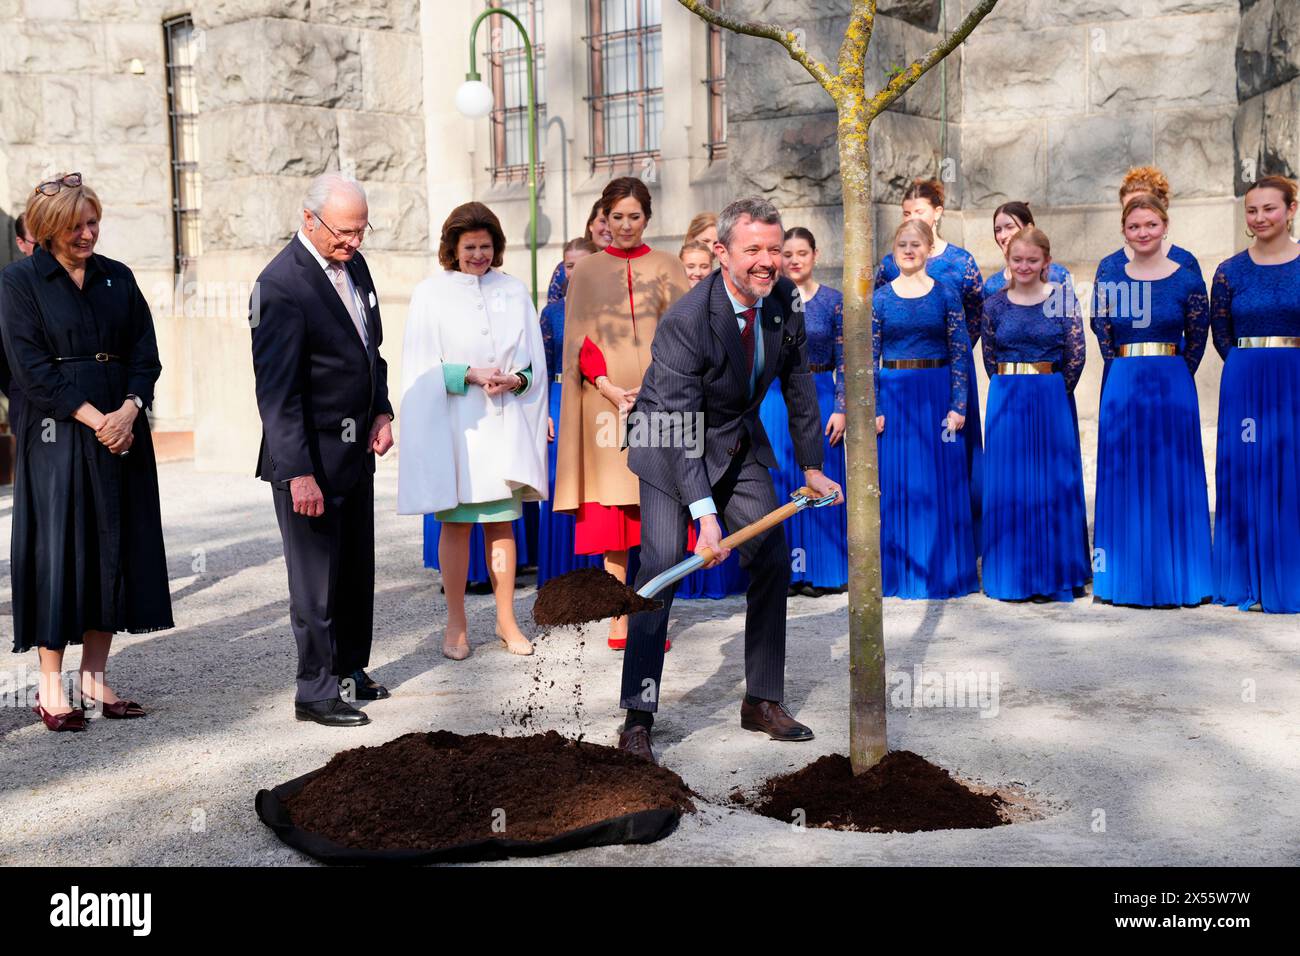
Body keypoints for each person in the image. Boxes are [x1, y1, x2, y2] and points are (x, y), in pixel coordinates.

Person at [616, 197, 843, 765]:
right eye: (754, 251)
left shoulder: (784, 298)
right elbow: (680, 424)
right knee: (662, 568)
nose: (769, 261)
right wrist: (705, 515)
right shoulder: (688, 321)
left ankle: (762, 699)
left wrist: (812, 465)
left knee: (769, 554)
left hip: (735, 442)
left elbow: (797, 381)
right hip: (671, 444)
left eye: (775, 248)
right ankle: (638, 718)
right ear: (721, 252)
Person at [0, 173, 173, 731]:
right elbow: (29, 371)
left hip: (121, 431)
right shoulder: (18, 283)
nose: (88, 233)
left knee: (115, 547)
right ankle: (50, 688)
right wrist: (98, 419)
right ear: (49, 229)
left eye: (93, 222)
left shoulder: (117, 278)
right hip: (57, 434)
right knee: (60, 552)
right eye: (76, 225)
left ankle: (95, 678)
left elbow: (145, 355)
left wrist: (129, 410)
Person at [250, 172, 395, 728]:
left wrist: (381, 409)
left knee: (356, 570)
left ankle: (350, 669)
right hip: (308, 460)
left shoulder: (354, 265)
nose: (354, 242)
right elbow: (277, 394)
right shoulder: (279, 286)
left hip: (356, 452)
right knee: (314, 584)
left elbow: (369, 350)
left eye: (362, 231)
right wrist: (299, 475)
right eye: (345, 231)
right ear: (309, 220)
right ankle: (314, 690)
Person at [399, 202, 548, 658]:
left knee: (501, 523)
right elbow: (420, 365)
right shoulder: (430, 294)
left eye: (485, 246)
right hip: (457, 430)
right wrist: (466, 373)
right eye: (470, 247)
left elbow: (532, 361)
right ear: (453, 248)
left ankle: (506, 620)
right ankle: (457, 623)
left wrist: (515, 379)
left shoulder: (514, 290)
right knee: (458, 527)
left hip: (503, 426)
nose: (479, 255)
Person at [553, 176, 690, 650]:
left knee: (659, 510)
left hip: (662, 401)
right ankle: (618, 614)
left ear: (647, 218)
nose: (626, 225)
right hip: (604, 404)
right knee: (615, 511)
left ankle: (651, 611)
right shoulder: (587, 270)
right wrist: (610, 387)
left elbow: (685, 333)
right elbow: (578, 339)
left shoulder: (670, 267)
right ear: (604, 221)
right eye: (617, 217)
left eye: (635, 216)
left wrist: (657, 385)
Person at [1091, 194, 1211, 607]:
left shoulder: (1188, 279)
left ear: (1165, 226)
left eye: (1151, 225)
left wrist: (1174, 373)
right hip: (1124, 382)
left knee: (1171, 474)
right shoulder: (1110, 278)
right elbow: (1103, 333)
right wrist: (1125, 371)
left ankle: (1178, 577)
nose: (1143, 233)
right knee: (1125, 475)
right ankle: (1122, 579)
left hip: (1172, 384)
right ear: (1124, 231)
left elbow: (1198, 340)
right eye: (1134, 227)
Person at [979, 226, 1089, 602]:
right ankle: (1012, 575)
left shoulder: (1061, 298)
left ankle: (1052, 575)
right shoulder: (993, 304)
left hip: (1050, 395)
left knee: (1051, 484)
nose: (1024, 266)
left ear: (1046, 262)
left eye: (1032, 260)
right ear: (1007, 261)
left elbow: (1076, 355)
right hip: (1007, 397)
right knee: (1010, 486)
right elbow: (989, 359)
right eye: (1016, 259)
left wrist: (1055, 390)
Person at [874, 178, 984, 547]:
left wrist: (957, 398)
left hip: (940, 383)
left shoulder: (952, 279)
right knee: (900, 473)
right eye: (902, 243)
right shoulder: (882, 292)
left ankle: (949, 555)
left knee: (944, 468)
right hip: (896, 389)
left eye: (915, 243)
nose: (909, 249)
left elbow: (966, 331)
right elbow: (869, 351)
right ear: (893, 250)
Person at [1209, 175, 1300, 613]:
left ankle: (1289, 576)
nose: (1260, 217)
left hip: (1295, 379)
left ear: (1291, 210)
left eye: (1269, 208)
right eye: (1252, 210)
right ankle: (1246, 577)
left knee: (1292, 471)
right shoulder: (1228, 271)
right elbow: (1220, 335)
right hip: (1244, 379)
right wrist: (1248, 369)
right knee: (1249, 469)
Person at [761, 225, 848, 595]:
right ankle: (787, 573)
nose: (794, 260)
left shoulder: (833, 300)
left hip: (822, 394)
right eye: (788, 254)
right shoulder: (767, 299)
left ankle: (824, 571)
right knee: (780, 480)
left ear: (815, 256)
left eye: (802, 253)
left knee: (818, 476)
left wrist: (842, 406)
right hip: (776, 398)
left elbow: (846, 357)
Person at [537, 238, 605, 586]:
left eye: (582, 264)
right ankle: (560, 573)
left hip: (599, 398)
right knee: (560, 483)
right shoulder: (552, 313)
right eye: (569, 265)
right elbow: (540, 366)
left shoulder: (613, 309)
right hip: (560, 398)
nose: (574, 271)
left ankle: (601, 570)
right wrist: (543, 412)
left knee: (597, 485)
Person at [984, 201, 1074, 298]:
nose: (1003, 236)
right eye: (998, 230)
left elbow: (1071, 311)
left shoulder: (1057, 275)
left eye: (1010, 227)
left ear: (1029, 227)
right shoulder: (992, 286)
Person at [545, 199, 613, 305]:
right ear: (591, 225)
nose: (609, 228)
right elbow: (552, 314)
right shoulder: (563, 270)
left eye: (613, 222)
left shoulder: (625, 266)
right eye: (603, 221)